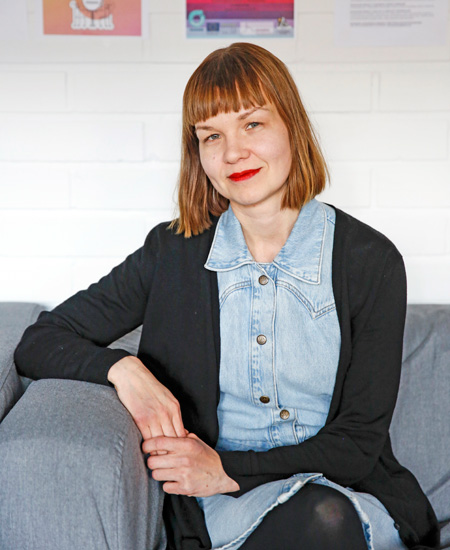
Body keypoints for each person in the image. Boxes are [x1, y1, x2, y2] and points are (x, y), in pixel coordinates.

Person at [14, 43, 439, 550]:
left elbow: (358, 442)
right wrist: (124, 370)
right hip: (224, 507)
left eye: (252, 124)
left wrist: (223, 468)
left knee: (325, 518)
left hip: (346, 494)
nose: (233, 152)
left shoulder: (371, 261)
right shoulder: (172, 252)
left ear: (292, 127)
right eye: (212, 135)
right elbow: (40, 340)